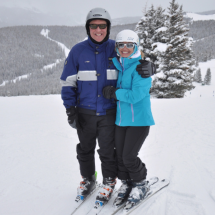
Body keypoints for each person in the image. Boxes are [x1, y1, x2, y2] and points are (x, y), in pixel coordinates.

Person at [60, 8, 154, 203]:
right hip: (84, 111)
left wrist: (151, 65)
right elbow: (68, 82)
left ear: (108, 28)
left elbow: (135, 56)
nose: (98, 29)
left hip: (110, 111)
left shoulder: (115, 47)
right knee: (84, 149)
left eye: (102, 25)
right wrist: (70, 108)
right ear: (88, 28)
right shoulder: (78, 50)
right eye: (93, 26)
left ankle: (110, 180)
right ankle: (88, 179)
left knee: (107, 150)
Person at [102, 30, 155, 210]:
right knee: (119, 156)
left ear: (136, 46)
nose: (125, 48)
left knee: (129, 157)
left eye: (129, 45)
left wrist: (114, 93)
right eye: (121, 45)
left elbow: (135, 96)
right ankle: (126, 182)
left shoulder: (140, 68)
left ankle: (140, 183)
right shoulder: (120, 64)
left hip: (139, 121)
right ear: (117, 47)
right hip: (121, 120)